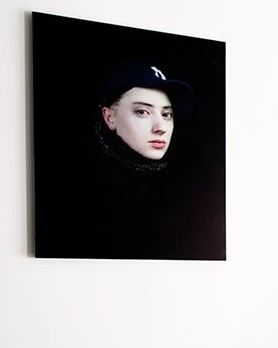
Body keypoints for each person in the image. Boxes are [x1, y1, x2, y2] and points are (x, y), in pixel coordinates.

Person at [36, 60, 219, 260]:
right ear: (109, 117)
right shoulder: (72, 190)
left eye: (167, 114)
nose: (161, 127)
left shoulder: (193, 190)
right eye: (142, 112)